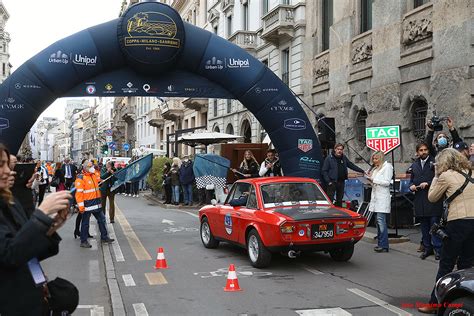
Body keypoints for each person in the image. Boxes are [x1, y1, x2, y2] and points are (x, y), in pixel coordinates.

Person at [0, 143, 73, 315]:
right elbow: (10, 255)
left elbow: (26, 250)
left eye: (7, 164)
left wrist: (51, 226)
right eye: (1, 165)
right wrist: (41, 214)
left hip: (30, 298)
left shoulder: (10, 202)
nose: (9, 171)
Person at [418, 148, 474, 314]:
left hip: (457, 222)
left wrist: (435, 176)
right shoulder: (471, 171)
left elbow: (432, 197)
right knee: (466, 264)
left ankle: (434, 303)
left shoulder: (445, 175)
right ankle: (461, 300)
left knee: (446, 264)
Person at [409, 142, 443, 260]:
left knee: (434, 226)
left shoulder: (435, 162)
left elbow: (439, 179)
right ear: (418, 152)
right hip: (420, 200)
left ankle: (438, 249)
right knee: (424, 227)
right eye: (421, 150)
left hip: (433, 199)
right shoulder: (414, 165)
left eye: (425, 150)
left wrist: (428, 183)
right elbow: (411, 180)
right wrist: (411, 186)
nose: (423, 152)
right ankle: (427, 248)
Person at [75, 160, 114, 248]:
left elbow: (99, 180)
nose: (93, 167)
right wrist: (81, 207)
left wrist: (103, 178)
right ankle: (83, 241)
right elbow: (79, 194)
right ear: (86, 168)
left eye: (92, 166)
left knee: (102, 220)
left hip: (96, 203)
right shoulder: (80, 179)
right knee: (85, 223)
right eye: (90, 166)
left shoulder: (93, 176)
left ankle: (104, 237)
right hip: (87, 205)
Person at [366, 151, 393, 253]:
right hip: (376, 197)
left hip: (382, 197)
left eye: (376, 159)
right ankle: (380, 243)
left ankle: (384, 245)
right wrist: (368, 180)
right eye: (373, 159)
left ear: (381, 158)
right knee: (378, 221)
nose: (374, 161)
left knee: (381, 221)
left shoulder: (387, 167)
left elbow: (387, 182)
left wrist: (373, 180)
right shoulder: (376, 169)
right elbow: (375, 182)